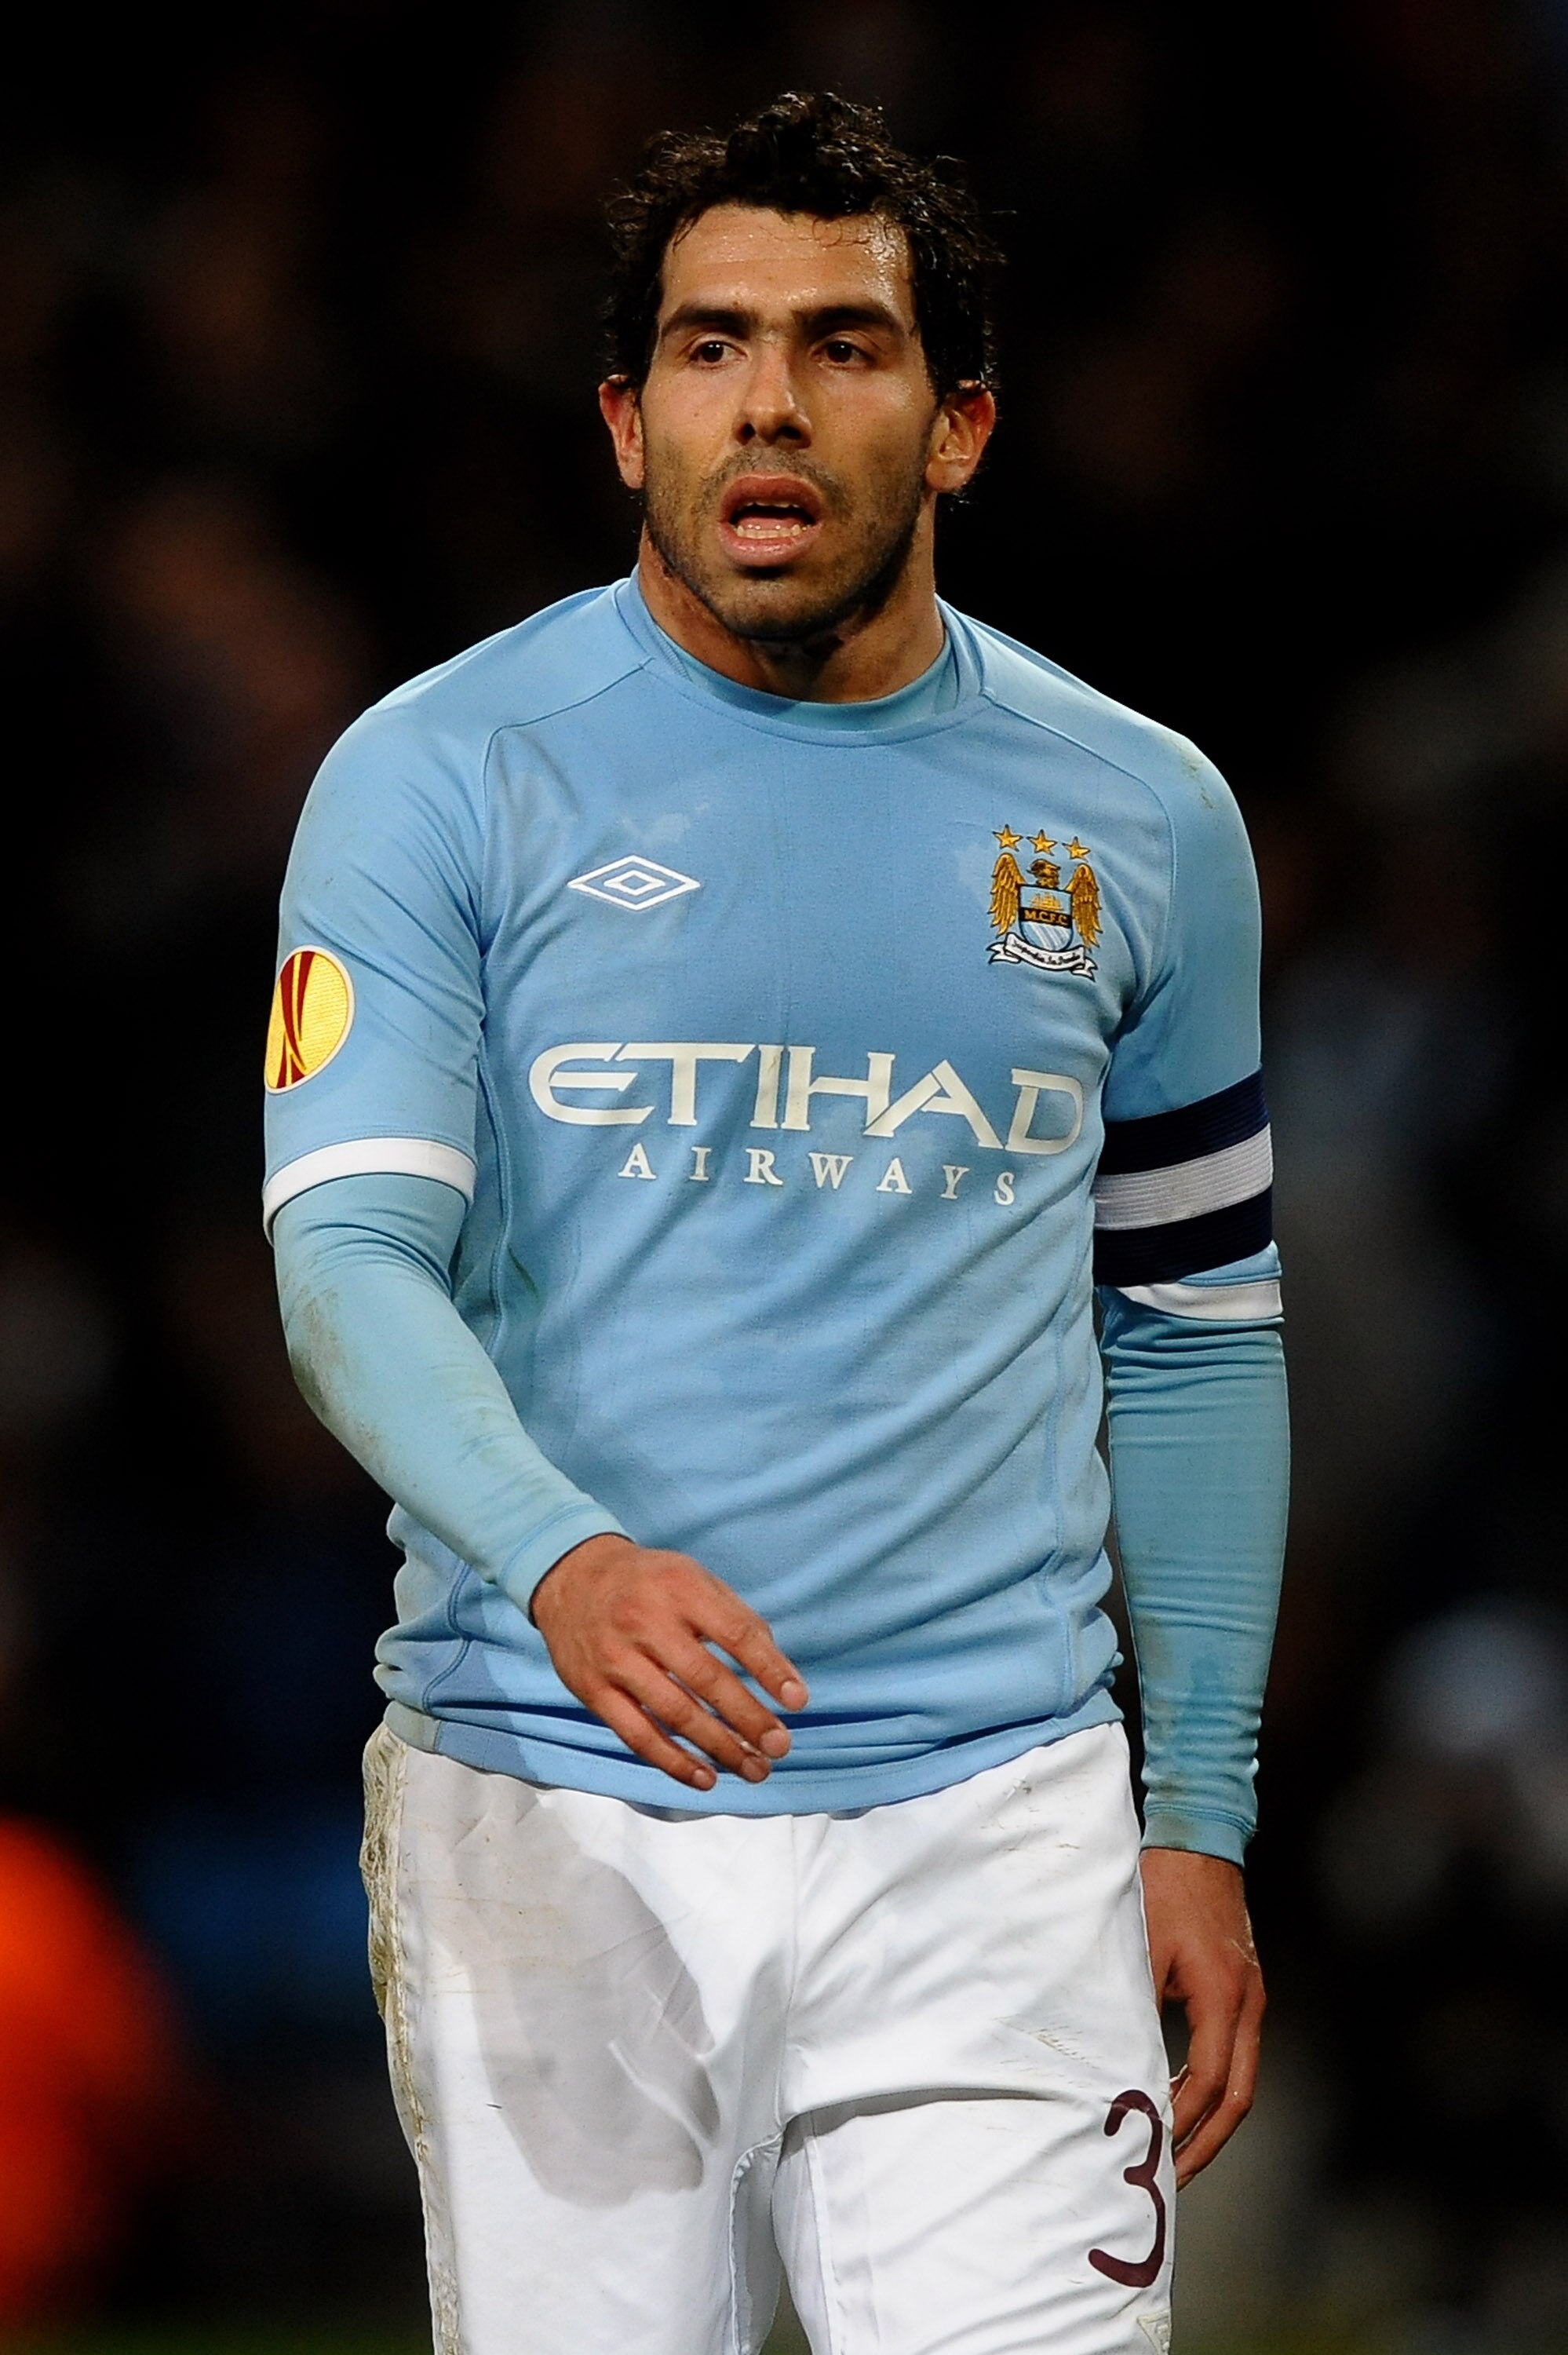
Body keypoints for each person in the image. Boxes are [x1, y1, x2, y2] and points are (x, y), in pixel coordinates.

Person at [265, 90, 1287, 2355]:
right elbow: (346, 1267)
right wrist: (569, 1556)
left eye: (846, 345)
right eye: (715, 346)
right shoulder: (440, 778)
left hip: (1000, 1825)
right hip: (548, 1803)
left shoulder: (1141, 820)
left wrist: (1193, 1809)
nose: (775, 401)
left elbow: (1200, 1326)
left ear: (960, 427)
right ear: (628, 421)